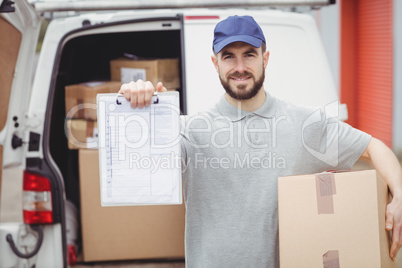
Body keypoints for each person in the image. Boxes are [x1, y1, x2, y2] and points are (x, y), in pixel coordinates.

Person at [119, 15, 402, 267]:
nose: (239, 67)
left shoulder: (305, 125)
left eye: (249, 54)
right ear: (214, 63)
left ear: (265, 58)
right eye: (228, 56)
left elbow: (373, 147)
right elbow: (138, 167)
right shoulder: (191, 131)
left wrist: (400, 194)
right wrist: (141, 108)